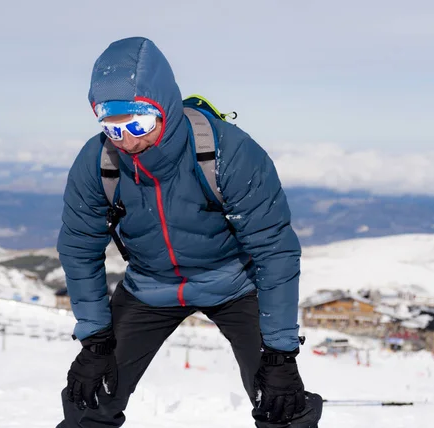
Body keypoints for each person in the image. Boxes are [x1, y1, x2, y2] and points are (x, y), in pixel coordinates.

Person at [56, 37, 321, 428]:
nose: (128, 140)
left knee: (282, 404)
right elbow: (79, 248)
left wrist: (280, 355)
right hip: (150, 285)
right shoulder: (99, 161)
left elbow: (274, 251)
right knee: (91, 395)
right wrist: (95, 340)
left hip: (234, 282)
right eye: (113, 128)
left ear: (163, 106)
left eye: (138, 123)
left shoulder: (228, 152)